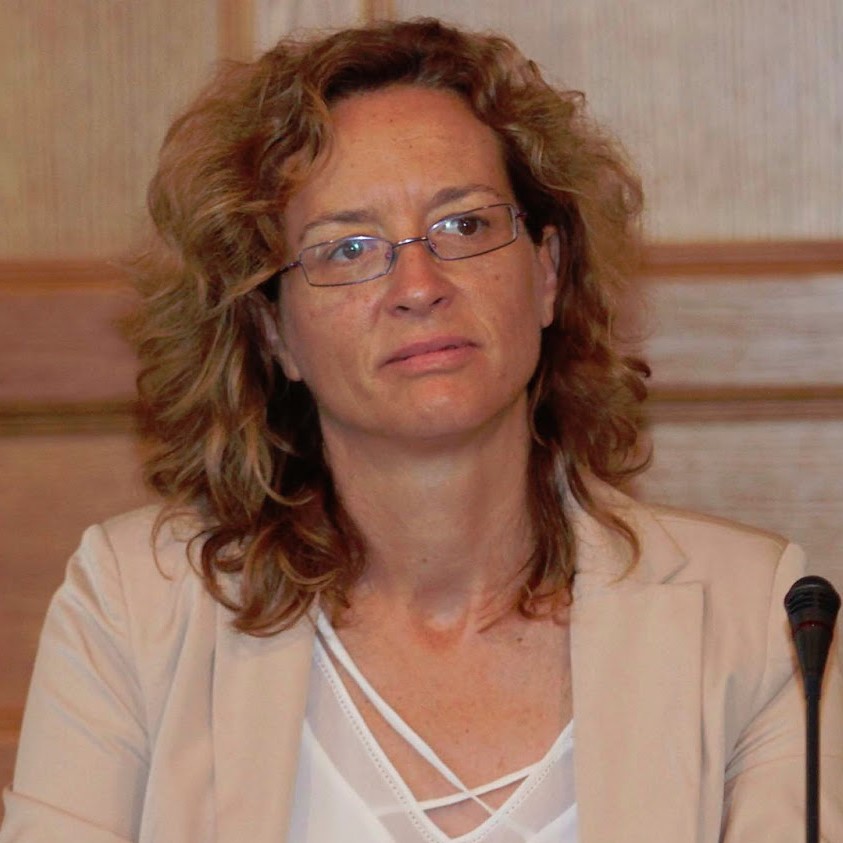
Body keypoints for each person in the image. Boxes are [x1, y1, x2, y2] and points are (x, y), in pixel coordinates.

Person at [1, 17, 841, 843]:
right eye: (347, 247)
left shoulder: (757, 619)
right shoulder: (137, 607)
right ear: (273, 330)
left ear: (547, 274)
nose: (417, 285)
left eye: (464, 225)